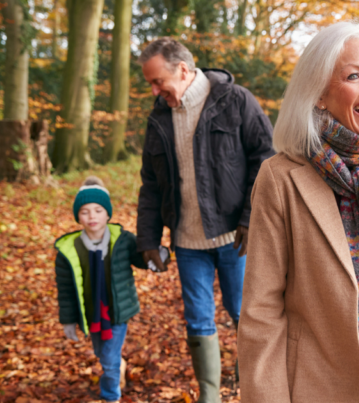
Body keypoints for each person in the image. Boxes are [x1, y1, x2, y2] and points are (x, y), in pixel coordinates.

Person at [237, 21, 359, 403]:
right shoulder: (280, 178)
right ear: (319, 95)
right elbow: (262, 309)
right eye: (354, 75)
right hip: (308, 384)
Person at [135, 38, 274, 402]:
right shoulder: (159, 116)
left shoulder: (236, 100)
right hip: (187, 240)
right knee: (198, 319)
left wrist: (251, 217)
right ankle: (209, 395)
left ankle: (255, 386)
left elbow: (266, 159)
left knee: (244, 312)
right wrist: (148, 239)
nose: (154, 90)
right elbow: (150, 183)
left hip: (235, 237)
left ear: (182, 70)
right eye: (149, 83)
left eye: (157, 81)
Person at [54, 176, 147, 403]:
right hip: (91, 312)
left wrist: (156, 254)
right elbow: (65, 290)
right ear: (78, 216)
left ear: (108, 214)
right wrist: (67, 320)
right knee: (102, 353)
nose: (92, 216)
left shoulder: (123, 240)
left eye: (98, 210)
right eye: (85, 211)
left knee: (107, 358)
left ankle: (111, 397)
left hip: (117, 310)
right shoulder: (69, 249)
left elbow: (143, 259)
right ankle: (118, 365)